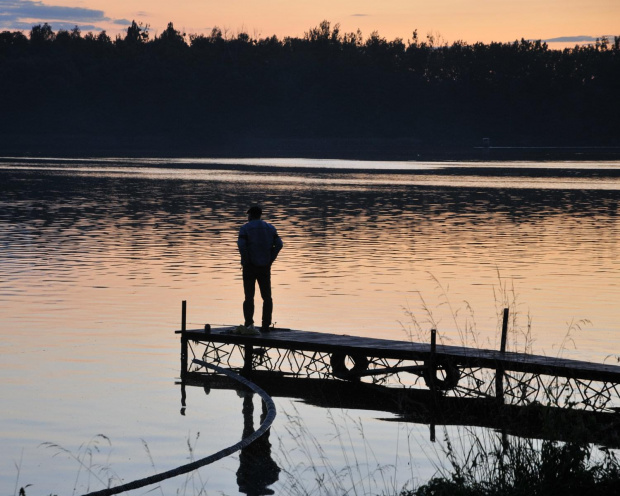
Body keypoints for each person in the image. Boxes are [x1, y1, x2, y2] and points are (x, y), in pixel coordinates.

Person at [237, 205, 283, 332]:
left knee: (249, 296)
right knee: (267, 297)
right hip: (264, 266)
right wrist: (270, 259)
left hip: (249, 267)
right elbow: (279, 244)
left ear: (251, 215)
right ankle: (265, 324)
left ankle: (248, 323)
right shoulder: (270, 228)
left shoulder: (245, 228)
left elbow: (241, 245)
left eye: (248, 215)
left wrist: (246, 260)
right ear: (260, 215)